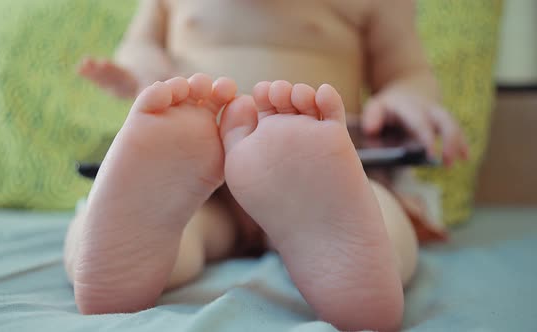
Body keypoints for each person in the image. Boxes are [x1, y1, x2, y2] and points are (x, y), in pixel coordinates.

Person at [64, 1, 468, 330]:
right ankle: (130, 243)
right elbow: (139, 45)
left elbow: (408, 73)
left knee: (376, 211)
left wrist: (405, 97)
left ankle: (350, 260)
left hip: (317, 188)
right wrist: (140, 68)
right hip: (197, 185)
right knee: (144, 221)